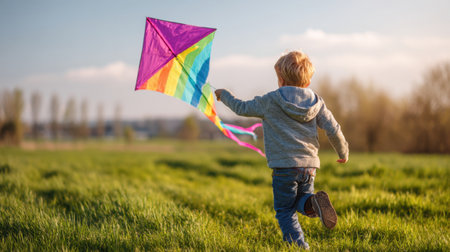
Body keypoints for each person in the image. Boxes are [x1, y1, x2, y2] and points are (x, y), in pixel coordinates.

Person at [214, 50, 349, 249]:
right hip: (309, 167)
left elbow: (241, 108)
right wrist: (343, 152)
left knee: (285, 210)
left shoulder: (271, 100)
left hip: (284, 167)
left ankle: (299, 246)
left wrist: (224, 95)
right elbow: (333, 129)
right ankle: (313, 203)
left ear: (281, 79)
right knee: (302, 201)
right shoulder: (317, 102)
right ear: (307, 82)